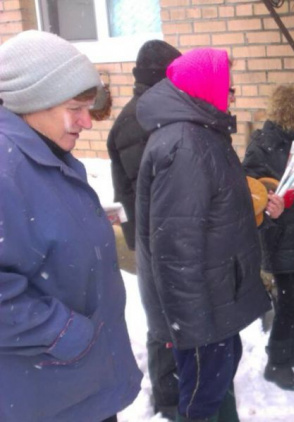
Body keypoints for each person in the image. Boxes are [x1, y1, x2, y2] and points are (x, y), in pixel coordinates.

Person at [0, 30, 142, 422]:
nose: (87, 122)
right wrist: (63, 333)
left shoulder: (43, 153)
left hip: (76, 387)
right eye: (75, 107)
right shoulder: (6, 169)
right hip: (49, 398)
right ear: (33, 100)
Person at [136, 48, 279, 421]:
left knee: (215, 388)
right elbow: (175, 251)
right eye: (229, 89)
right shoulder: (186, 146)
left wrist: (260, 210)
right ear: (207, 89)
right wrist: (194, 330)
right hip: (201, 314)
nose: (233, 96)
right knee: (201, 402)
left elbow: (215, 216)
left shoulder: (202, 136)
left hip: (213, 302)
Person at [106, 39, 182, 420]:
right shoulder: (139, 120)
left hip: (157, 235)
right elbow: (150, 189)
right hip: (156, 237)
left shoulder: (151, 111)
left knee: (169, 318)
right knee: (163, 322)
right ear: (161, 77)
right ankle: (169, 401)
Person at [242, 85, 294, 391]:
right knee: (290, 302)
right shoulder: (263, 146)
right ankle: (276, 361)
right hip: (278, 237)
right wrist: (269, 204)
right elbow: (250, 193)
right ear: (292, 119)